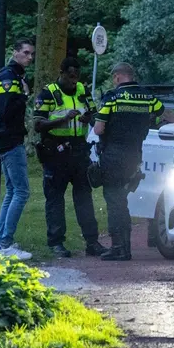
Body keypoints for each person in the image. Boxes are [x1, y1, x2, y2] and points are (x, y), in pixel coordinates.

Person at [92, 63, 174, 261]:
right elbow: (166, 114)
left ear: (117, 77)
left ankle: (119, 247)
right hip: (134, 156)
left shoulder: (111, 97)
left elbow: (98, 129)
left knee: (114, 201)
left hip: (113, 155)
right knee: (123, 199)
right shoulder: (147, 97)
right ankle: (125, 247)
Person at [33, 57, 107, 258]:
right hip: (55, 151)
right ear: (62, 73)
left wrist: (87, 118)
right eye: (70, 76)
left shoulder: (83, 91)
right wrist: (63, 119)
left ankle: (92, 242)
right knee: (55, 198)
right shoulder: (49, 93)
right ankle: (56, 243)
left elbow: (94, 114)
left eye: (76, 77)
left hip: (79, 150)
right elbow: (38, 124)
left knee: (84, 196)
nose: (73, 81)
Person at [0, 38, 35, 260]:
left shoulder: (10, 75)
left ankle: (1, 243)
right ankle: (4, 243)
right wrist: (24, 96)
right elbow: (7, 110)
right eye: (26, 53)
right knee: (21, 191)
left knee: (12, 191)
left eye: (31, 54)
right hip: (10, 138)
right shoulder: (9, 77)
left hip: (6, 138)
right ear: (15, 52)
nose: (30, 57)